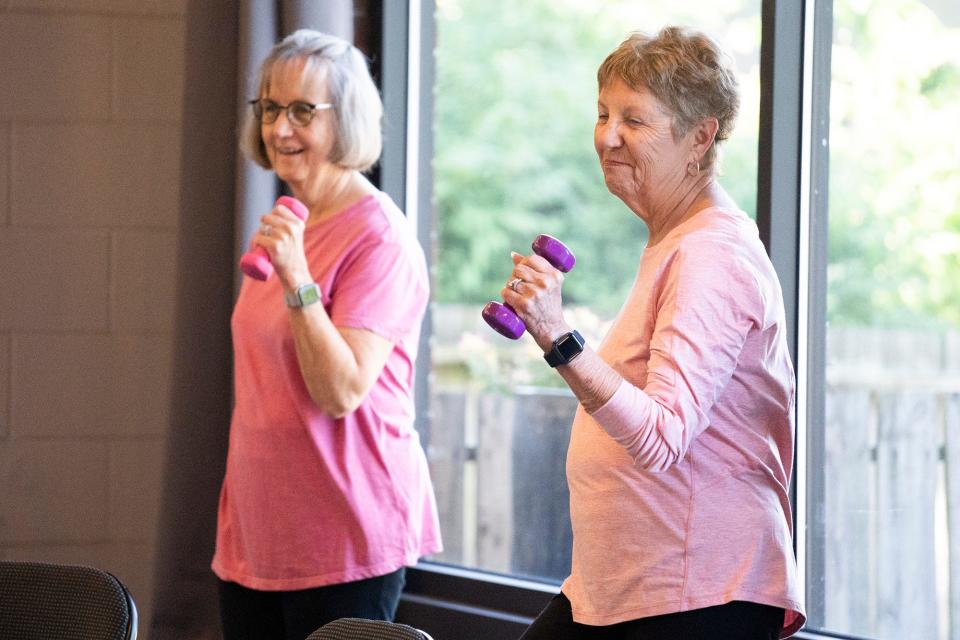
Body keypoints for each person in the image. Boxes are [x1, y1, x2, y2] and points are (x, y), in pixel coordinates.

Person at [507, 27, 806, 640]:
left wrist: (560, 339)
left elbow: (662, 436)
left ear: (701, 137)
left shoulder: (711, 255)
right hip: (626, 588)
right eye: (602, 113)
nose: (607, 136)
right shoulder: (673, 243)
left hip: (696, 595)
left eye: (634, 120)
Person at [211, 29, 442, 640]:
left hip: (344, 536)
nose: (280, 129)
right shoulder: (291, 224)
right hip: (256, 539)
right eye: (269, 108)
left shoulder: (380, 239)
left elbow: (340, 391)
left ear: (348, 120)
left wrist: (298, 280)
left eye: (302, 111)